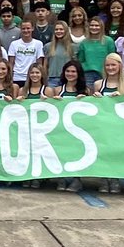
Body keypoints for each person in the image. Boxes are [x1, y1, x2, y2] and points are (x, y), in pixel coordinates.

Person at [45, 60, 87, 193]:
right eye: (68, 71)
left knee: (77, 152)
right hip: (60, 128)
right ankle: (61, 177)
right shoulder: (57, 90)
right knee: (60, 151)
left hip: (78, 128)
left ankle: (77, 179)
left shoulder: (85, 90)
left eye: (73, 71)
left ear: (78, 73)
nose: (70, 74)